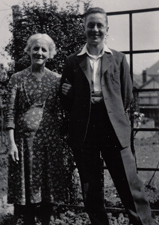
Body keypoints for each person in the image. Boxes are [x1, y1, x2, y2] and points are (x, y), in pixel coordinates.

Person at [60, 7, 154, 225]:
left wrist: (108, 108)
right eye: (90, 25)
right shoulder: (72, 62)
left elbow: (127, 96)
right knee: (91, 188)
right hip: (85, 130)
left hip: (114, 128)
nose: (95, 29)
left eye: (99, 25)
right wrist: (74, 95)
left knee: (130, 185)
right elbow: (65, 101)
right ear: (84, 28)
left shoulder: (119, 59)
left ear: (106, 29)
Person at [4, 33, 74, 225]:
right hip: (24, 143)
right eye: (36, 48)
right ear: (29, 51)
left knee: (48, 193)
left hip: (50, 142)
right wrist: (11, 143)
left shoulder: (57, 79)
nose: (39, 52)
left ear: (50, 53)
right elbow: (9, 112)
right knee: (26, 195)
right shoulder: (17, 79)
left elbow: (70, 106)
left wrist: (69, 93)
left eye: (44, 49)